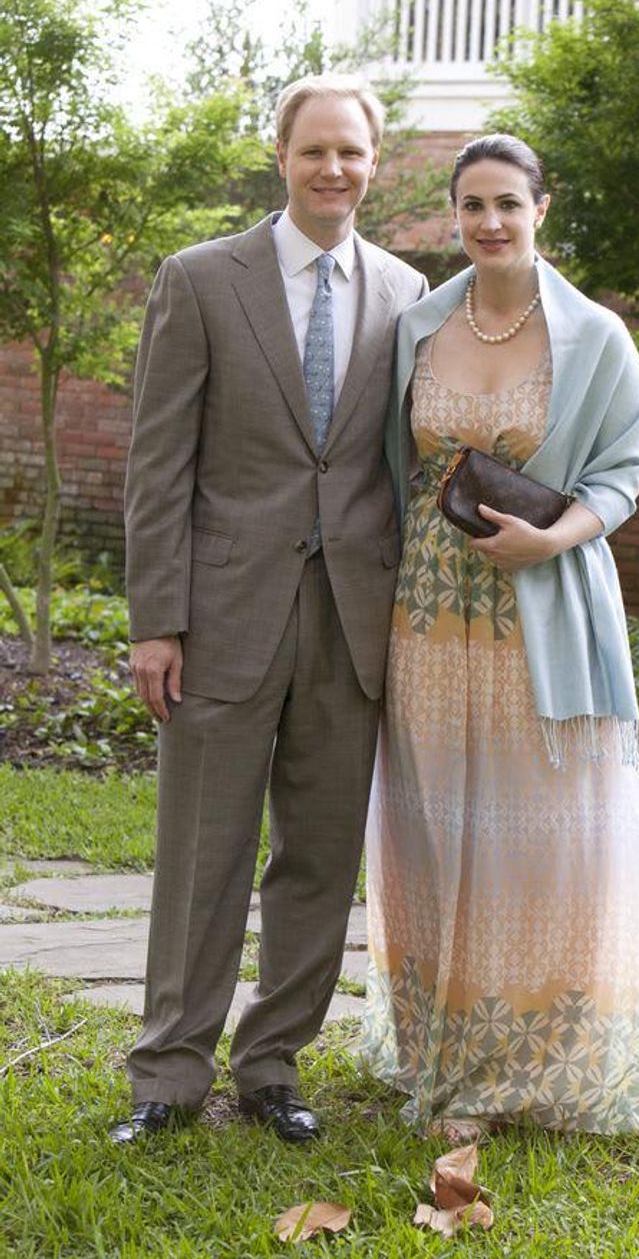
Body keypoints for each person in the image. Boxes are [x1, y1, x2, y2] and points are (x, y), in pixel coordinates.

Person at [112, 74, 427, 1146]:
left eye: (350, 151)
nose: (332, 168)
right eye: (314, 150)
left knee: (320, 853)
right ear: (280, 156)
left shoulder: (403, 289)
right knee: (202, 849)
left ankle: (273, 1060)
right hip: (221, 616)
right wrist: (158, 618)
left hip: (353, 619)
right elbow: (159, 463)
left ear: (372, 162)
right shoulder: (201, 280)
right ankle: (167, 1072)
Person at [362, 133, 639, 1136]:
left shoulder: (596, 337)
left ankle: (533, 1058)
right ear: (452, 216)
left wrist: (552, 538)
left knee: (539, 836)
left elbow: (622, 471)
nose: (489, 222)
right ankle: (440, 1050)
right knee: (431, 822)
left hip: (538, 611)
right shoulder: (415, 324)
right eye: (471, 206)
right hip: (422, 614)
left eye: (507, 202)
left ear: (542, 207)